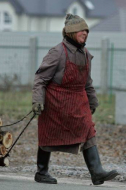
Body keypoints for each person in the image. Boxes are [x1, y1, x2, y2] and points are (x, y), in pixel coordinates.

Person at [32, 14, 119, 185]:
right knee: (48, 135)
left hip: (78, 102)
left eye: (86, 30)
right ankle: (41, 172)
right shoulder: (57, 52)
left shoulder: (85, 54)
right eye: (81, 30)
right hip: (55, 103)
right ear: (71, 32)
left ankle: (97, 172)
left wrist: (93, 101)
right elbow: (40, 79)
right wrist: (37, 100)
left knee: (88, 130)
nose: (85, 33)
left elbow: (87, 82)